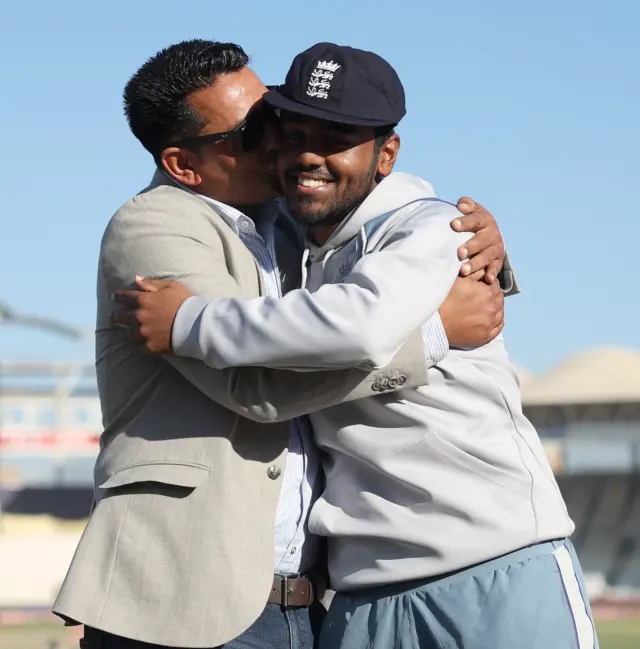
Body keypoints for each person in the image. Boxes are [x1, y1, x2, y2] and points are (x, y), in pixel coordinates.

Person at [118, 43, 598, 649]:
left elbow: (359, 325)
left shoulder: (430, 226)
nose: (302, 153)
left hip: (493, 561)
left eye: (337, 138)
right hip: (363, 594)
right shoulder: (279, 239)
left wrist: (190, 323)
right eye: (285, 131)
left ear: (387, 153)